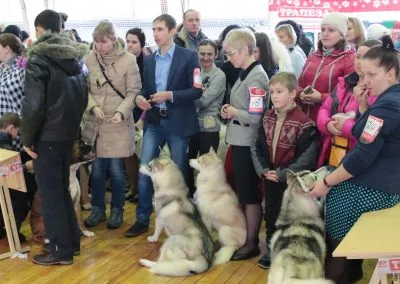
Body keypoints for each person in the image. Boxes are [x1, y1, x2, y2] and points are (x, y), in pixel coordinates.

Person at [310, 36, 400, 284]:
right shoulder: (388, 100)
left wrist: (327, 183)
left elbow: (362, 156)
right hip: (381, 185)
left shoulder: (387, 106)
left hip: (370, 188)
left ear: (391, 74)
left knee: (337, 253)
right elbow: (370, 135)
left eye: (372, 75)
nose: (366, 80)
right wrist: (362, 106)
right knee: (346, 258)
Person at [124, 14, 202, 237]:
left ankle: (180, 219)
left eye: (160, 29)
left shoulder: (189, 57)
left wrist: (171, 95)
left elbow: (196, 91)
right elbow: (145, 89)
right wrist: (140, 97)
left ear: (171, 32)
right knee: (145, 170)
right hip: (155, 122)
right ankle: (142, 218)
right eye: (154, 29)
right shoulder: (149, 60)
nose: (156, 34)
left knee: (178, 173)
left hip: (178, 123)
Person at [20, 9, 88, 265]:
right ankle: (70, 243)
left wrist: (27, 139)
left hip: (47, 137)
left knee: (51, 195)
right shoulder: (76, 59)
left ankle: (61, 250)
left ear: (39, 30)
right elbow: (82, 99)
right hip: (68, 135)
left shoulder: (39, 59)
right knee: (60, 191)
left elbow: (33, 105)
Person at [251, 72, 317, 268]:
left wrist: (282, 173)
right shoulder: (267, 118)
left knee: (291, 217)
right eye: (272, 92)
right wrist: (263, 170)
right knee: (271, 214)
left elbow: (307, 156)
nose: (275, 96)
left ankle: (290, 253)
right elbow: (256, 146)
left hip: (289, 180)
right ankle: (272, 249)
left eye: (280, 92)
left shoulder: (304, 122)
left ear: (293, 93)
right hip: (269, 177)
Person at [82, 21, 141, 230]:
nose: (100, 46)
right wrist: (93, 106)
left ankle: (117, 210)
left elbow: (134, 91)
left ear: (114, 39)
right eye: (96, 42)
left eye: (104, 42)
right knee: (97, 171)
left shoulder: (129, 60)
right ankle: (98, 209)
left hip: (118, 124)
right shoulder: (88, 59)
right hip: (96, 125)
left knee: (117, 171)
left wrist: (121, 112)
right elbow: (84, 89)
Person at [220, 28, 269, 260]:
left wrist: (234, 111)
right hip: (239, 140)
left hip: (248, 143)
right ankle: (249, 240)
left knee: (249, 194)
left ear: (244, 50)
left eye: (231, 53)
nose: (229, 58)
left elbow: (256, 116)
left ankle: (251, 243)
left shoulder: (257, 76)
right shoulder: (245, 72)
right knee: (245, 193)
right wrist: (230, 111)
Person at [316, 39, 381, 168]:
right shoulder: (344, 82)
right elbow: (325, 108)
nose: (359, 62)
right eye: (358, 56)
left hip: (357, 158)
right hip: (333, 150)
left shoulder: (378, 91)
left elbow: (372, 131)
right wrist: (327, 124)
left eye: (365, 57)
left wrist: (344, 126)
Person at [298, 12, 356, 122]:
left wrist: (321, 98)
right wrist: (300, 93)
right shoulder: (313, 55)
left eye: (331, 30)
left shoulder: (350, 59)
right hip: (304, 119)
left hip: (329, 120)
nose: (325, 33)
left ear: (342, 34)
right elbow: (299, 82)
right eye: (323, 29)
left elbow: (350, 96)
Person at [187, 39, 226, 196]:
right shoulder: (193, 71)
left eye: (209, 54)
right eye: (202, 53)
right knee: (187, 162)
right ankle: (189, 195)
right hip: (190, 124)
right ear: (197, 54)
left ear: (216, 55)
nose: (205, 57)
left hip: (209, 127)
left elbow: (204, 101)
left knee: (207, 168)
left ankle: (207, 199)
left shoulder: (219, 75)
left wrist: (187, 96)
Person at [125, 27, 146, 203]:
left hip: (143, 115)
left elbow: (151, 94)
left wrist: (142, 120)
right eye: (128, 42)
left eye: (134, 42)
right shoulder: (123, 63)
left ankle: (145, 190)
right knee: (129, 155)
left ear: (141, 45)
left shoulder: (147, 64)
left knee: (143, 155)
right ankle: (133, 188)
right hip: (126, 113)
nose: (130, 45)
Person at [0, 113, 29, 243]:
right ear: (11, 128)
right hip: (7, 189)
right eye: (17, 132)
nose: (17, 136)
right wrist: (27, 166)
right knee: (20, 201)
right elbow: (10, 173)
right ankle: (13, 234)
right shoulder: (6, 146)